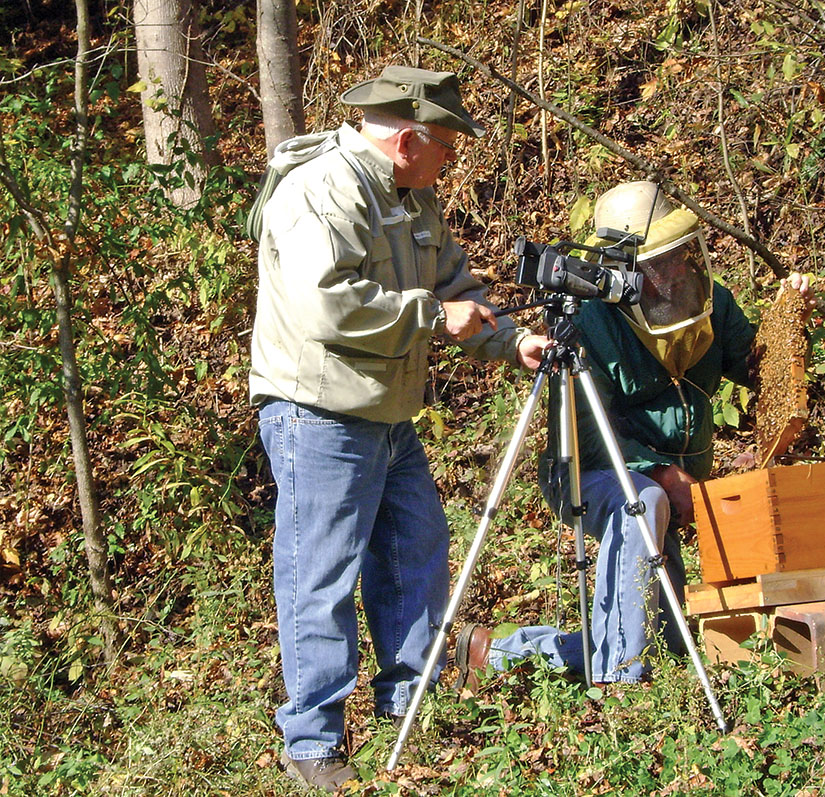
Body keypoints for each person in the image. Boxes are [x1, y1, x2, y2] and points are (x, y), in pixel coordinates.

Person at [249, 65, 549, 792]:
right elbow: (331, 306)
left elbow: (454, 287)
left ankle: (410, 700)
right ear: (409, 138)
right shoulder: (323, 190)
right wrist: (430, 317)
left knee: (415, 547)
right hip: (319, 414)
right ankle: (313, 743)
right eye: (447, 147)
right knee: (320, 578)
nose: (451, 160)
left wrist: (512, 341)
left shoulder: (412, 198)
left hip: (385, 415)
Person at [456, 181, 815, 687]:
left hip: (670, 480)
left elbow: (761, 370)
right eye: (656, 263)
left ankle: (497, 654)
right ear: (617, 269)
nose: (671, 273)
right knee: (642, 505)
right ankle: (619, 686)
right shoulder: (587, 322)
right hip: (594, 471)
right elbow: (584, 435)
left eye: (676, 257)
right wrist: (663, 473)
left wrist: (792, 321)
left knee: (665, 641)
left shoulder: (711, 303)